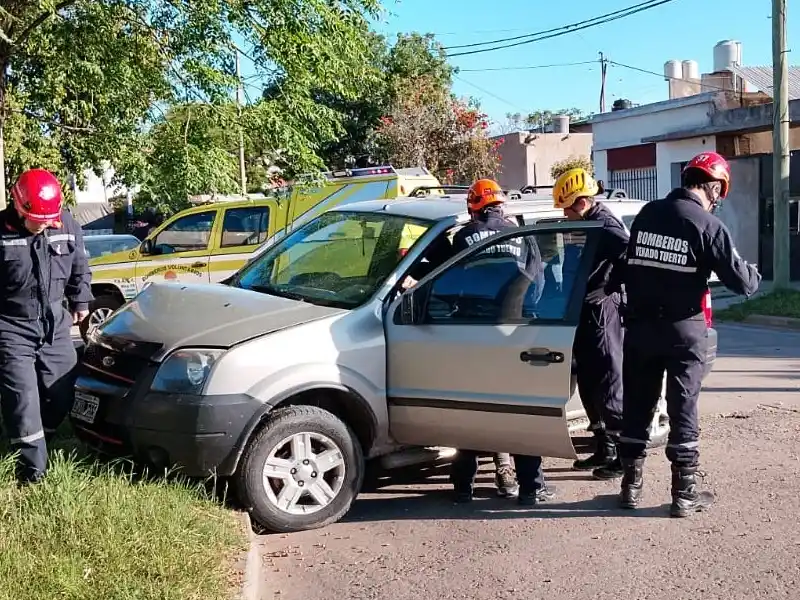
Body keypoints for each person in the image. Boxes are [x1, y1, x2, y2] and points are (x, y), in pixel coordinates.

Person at [615, 152, 760, 517]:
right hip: (684, 330)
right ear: (715, 187)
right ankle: (684, 494)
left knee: (637, 405)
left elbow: (630, 266)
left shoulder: (647, 214)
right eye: (719, 193)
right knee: (683, 407)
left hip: (640, 328)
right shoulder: (708, 226)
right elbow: (742, 283)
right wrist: (753, 272)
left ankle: (630, 488)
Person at [447, 178, 554, 506]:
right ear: (502, 205)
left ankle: (464, 486)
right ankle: (529, 488)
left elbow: (452, 281)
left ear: (473, 207)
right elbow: (537, 288)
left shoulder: (464, 237)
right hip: (514, 333)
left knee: (468, 410)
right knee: (519, 414)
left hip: (471, 335)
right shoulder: (523, 238)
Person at [0, 168, 93, 484]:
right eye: (37, 221)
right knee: (23, 399)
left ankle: (39, 439)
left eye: (49, 221)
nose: (44, 226)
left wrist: (81, 302)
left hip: (55, 324)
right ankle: (32, 474)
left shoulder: (65, 222)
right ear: (18, 205)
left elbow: (79, 265)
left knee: (62, 393)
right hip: (11, 326)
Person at [552, 168, 628, 479]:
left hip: (601, 312)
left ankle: (623, 457)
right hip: (582, 311)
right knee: (588, 381)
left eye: (567, 209)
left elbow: (630, 254)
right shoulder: (587, 223)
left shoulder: (607, 226)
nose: (565, 215)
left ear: (581, 202)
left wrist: (611, 286)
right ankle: (604, 446)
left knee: (607, 382)